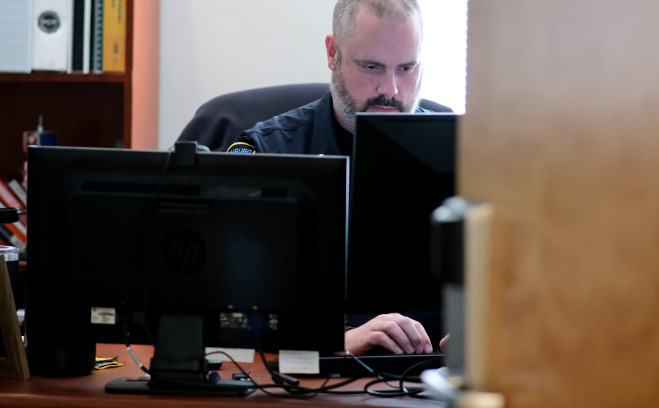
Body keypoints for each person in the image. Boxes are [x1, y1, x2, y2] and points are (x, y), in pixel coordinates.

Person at [224, 0, 449, 356]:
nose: (390, 89)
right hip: (317, 375)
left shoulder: (462, 148)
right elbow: (229, 310)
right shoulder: (269, 150)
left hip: (428, 373)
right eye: (371, 66)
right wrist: (336, 341)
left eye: (407, 68)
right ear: (333, 53)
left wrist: (482, 332)